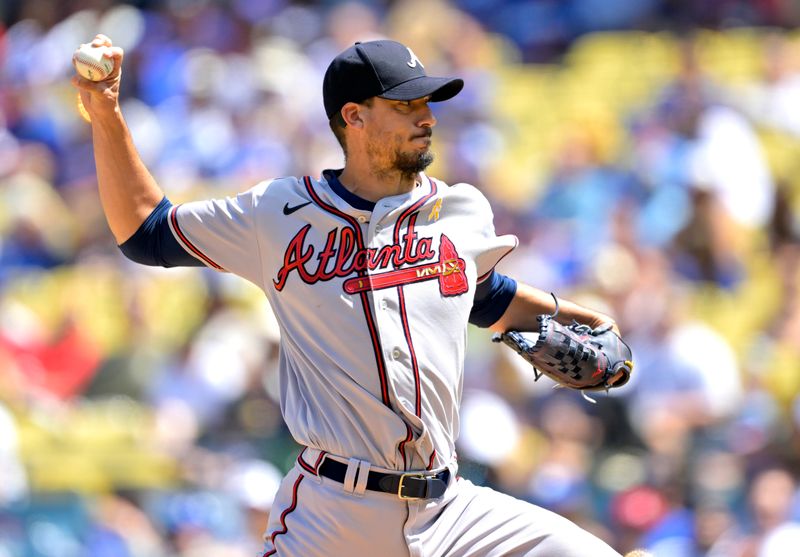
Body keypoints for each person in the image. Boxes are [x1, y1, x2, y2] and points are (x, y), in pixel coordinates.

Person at [73, 34, 627, 557]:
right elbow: (147, 232)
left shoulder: (459, 212)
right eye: (406, 105)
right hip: (335, 512)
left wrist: (583, 318)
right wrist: (106, 112)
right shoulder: (279, 215)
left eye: (428, 103)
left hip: (451, 507)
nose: (427, 117)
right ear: (354, 117)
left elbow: (484, 295)